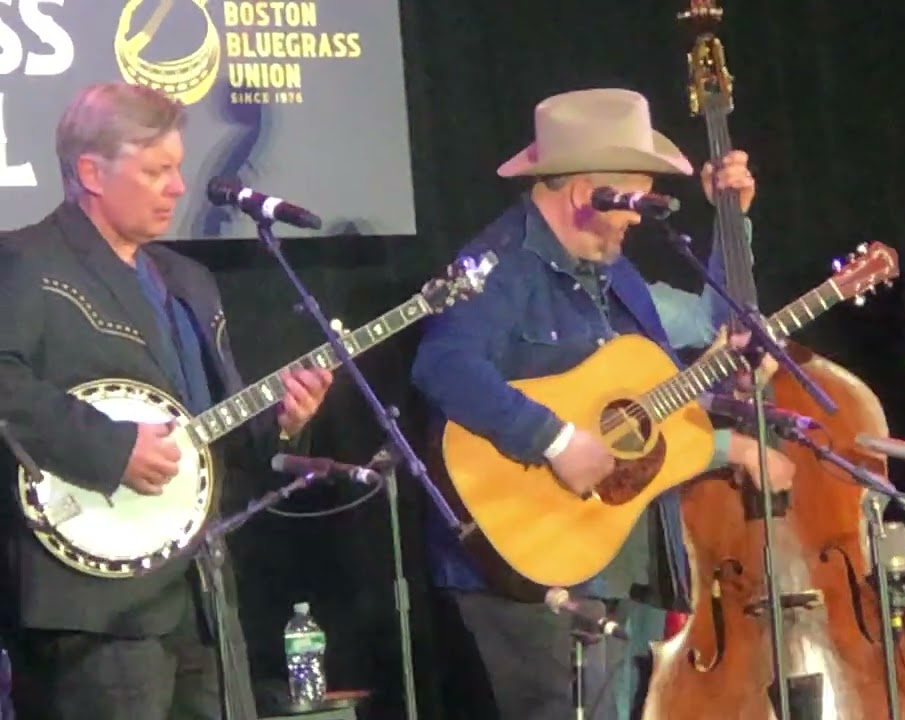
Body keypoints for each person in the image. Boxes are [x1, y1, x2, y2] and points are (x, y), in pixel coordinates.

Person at [411, 87, 793, 720]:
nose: (638, 217)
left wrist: (733, 223)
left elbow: (705, 327)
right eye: (633, 200)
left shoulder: (615, 272)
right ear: (586, 192)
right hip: (527, 563)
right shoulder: (496, 266)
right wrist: (555, 442)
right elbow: (442, 364)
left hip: (619, 552)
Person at [0, 82, 334, 720]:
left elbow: (217, 423)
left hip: (199, 593)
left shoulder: (188, 282)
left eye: (177, 169)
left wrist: (286, 424)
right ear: (92, 173)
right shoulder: (24, 261)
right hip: (96, 607)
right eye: (157, 171)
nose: (178, 187)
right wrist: (113, 447)